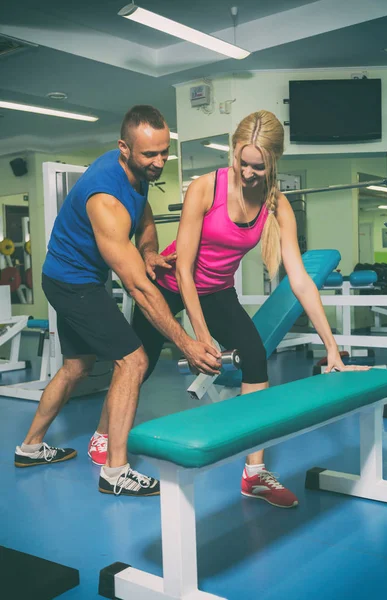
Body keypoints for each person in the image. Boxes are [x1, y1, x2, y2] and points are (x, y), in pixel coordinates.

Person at [88, 109, 368, 507]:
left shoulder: (276, 204)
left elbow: (300, 278)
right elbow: (184, 269)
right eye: (243, 162)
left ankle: (254, 473)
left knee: (255, 357)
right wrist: (199, 339)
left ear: (273, 162)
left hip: (217, 290)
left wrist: (332, 347)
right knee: (139, 364)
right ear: (233, 152)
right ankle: (103, 433)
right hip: (169, 284)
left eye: (259, 166)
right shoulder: (206, 188)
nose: (250, 173)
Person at [14, 105, 221, 498]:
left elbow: (143, 215)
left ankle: (29, 448)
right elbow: (140, 290)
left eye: (164, 152)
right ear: (124, 148)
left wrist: (146, 250)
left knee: (76, 367)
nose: (159, 162)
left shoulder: (137, 172)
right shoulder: (104, 197)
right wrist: (187, 343)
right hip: (73, 284)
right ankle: (116, 472)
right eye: (150, 155)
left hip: (71, 278)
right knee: (135, 359)